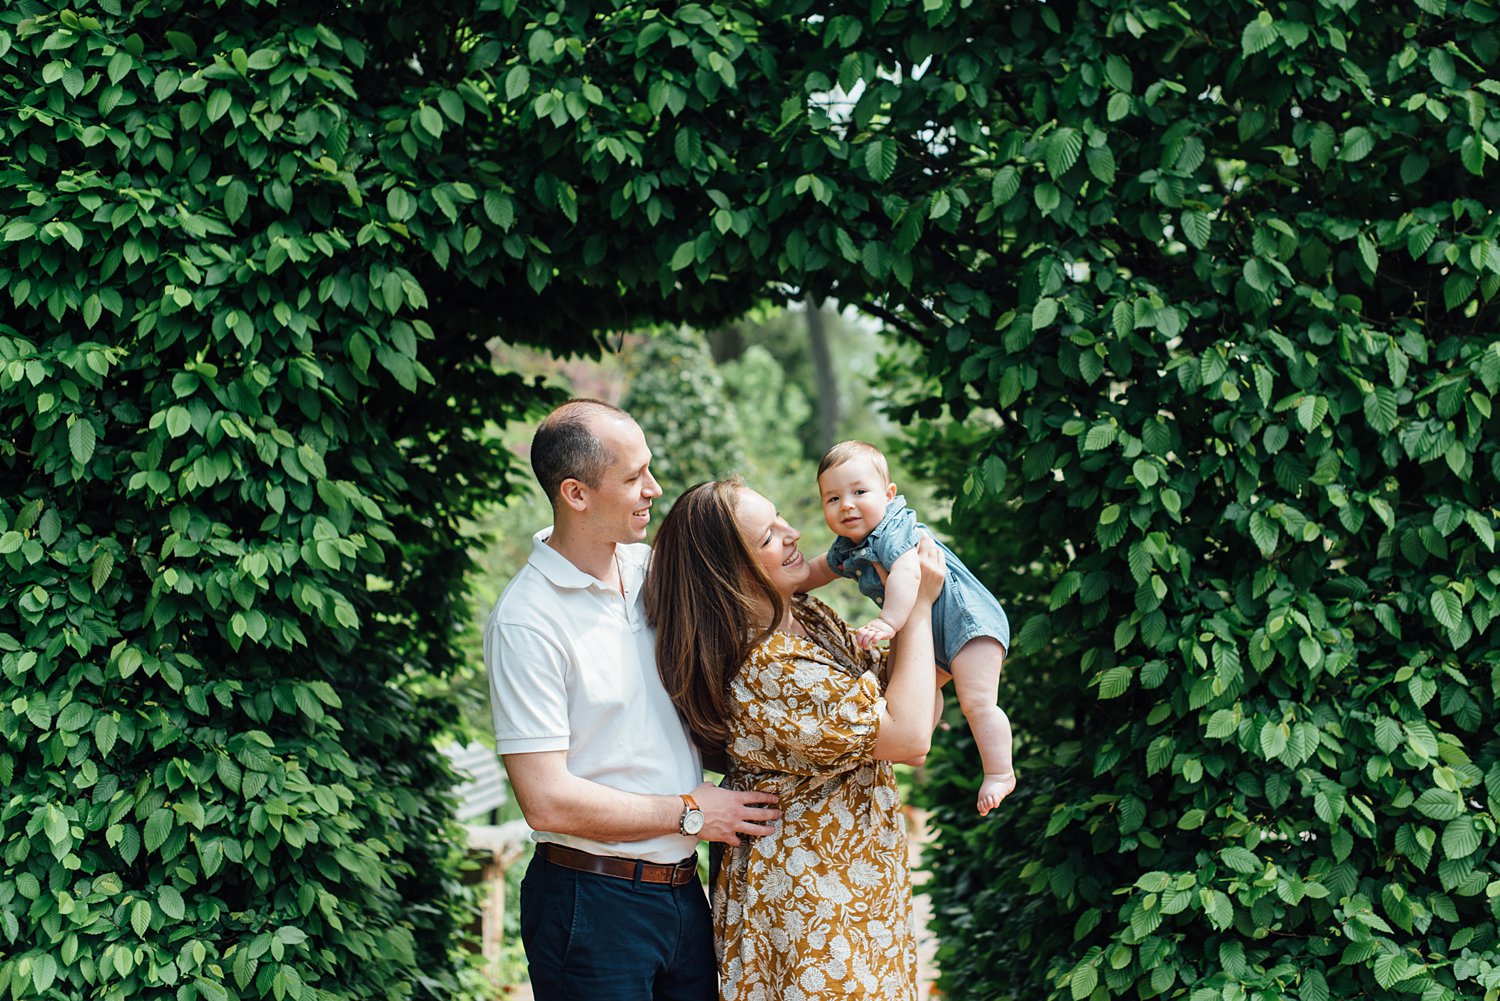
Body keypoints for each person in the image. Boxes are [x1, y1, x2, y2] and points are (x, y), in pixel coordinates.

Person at [484, 400, 781, 1001]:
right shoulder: (526, 619)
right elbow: (546, 802)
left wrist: (880, 566)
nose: (655, 488)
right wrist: (691, 812)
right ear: (576, 493)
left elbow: (763, 578)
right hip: (589, 906)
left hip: (682, 893)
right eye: (633, 477)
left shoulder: (652, 570)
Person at [644, 478, 948, 1001]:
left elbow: (913, 697)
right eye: (767, 537)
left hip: (860, 881)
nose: (792, 533)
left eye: (780, 519)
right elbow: (910, 735)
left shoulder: (803, 615)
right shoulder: (762, 663)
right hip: (809, 899)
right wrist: (917, 607)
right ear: (728, 572)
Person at [801, 440, 1017, 816]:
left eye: (859, 492)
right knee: (920, 688)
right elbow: (820, 569)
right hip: (933, 635)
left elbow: (906, 572)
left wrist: (888, 621)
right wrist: (788, 584)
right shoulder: (849, 546)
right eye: (832, 499)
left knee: (977, 703)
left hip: (968, 624)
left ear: (888, 494)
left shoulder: (892, 529)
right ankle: (919, 741)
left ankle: (1000, 772)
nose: (846, 504)